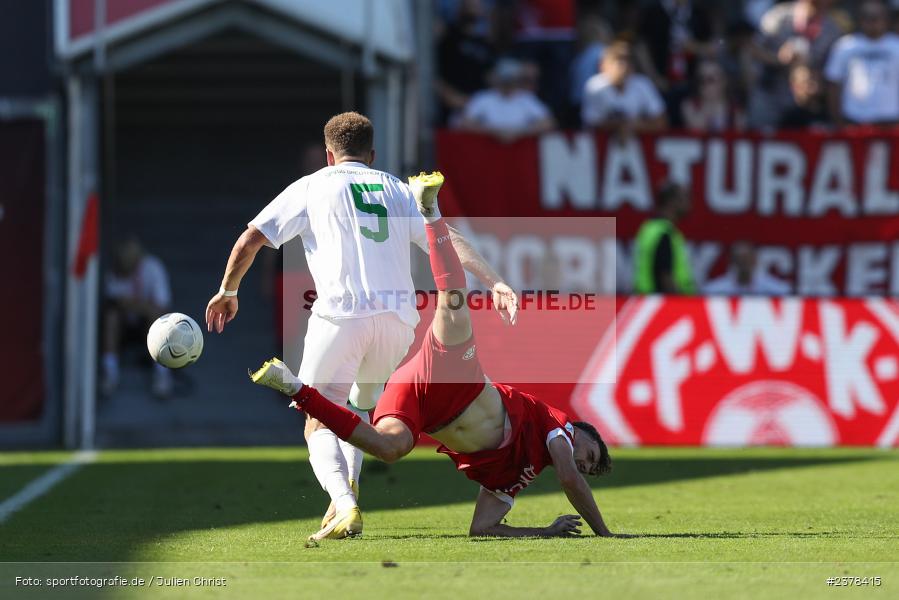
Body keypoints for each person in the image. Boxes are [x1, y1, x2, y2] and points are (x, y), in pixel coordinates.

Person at [250, 175, 624, 539]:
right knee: (454, 302)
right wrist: (604, 533)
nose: (582, 463)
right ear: (578, 431)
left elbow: (482, 529)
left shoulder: (515, 478)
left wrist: (546, 531)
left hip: (420, 404)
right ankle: (430, 211)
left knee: (390, 448)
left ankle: (294, 387)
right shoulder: (556, 429)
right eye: (589, 454)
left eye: (589, 467)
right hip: (461, 381)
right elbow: (568, 478)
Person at [205, 113, 506, 541]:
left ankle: (345, 504)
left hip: (342, 316)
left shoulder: (312, 185)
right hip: (399, 323)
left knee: (317, 416)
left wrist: (227, 290)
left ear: (329, 155)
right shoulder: (398, 189)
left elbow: (251, 238)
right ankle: (346, 488)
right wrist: (495, 281)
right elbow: (446, 237)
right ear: (373, 155)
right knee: (359, 408)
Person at [748, 0, 842, 128]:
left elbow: (833, 69)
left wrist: (813, 80)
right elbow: (753, 49)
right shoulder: (778, 17)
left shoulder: (832, 29)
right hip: (772, 96)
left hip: (809, 103)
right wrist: (778, 59)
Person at [101, 236, 172, 398]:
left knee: (158, 318)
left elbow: (162, 306)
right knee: (111, 317)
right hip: (124, 325)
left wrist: (132, 305)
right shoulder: (114, 271)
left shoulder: (153, 268)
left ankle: (162, 373)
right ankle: (109, 372)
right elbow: (112, 302)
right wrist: (136, 305)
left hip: (147, 325)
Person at [824, 0, 899, 126]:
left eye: (877, 17)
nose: (872, 22)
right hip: (853, 120)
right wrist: (838, 121)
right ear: (860, 19)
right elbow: (833, 84)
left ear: (886, 19)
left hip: (890, 122)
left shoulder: (896, 46)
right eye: (867, 17)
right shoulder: (845, 46)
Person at [459, 58, 556, 143]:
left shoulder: (527, 98)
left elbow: (548, 123)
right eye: (505, 79)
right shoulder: (483, 97)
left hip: (520, 153)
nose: (508, 83)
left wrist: (518, 132)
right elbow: (465, 122)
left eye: (512, 79)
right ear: (498, 77)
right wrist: (494, 132)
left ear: (517, 79)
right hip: (485, 152)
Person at [581, 41, 668, 136]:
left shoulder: (642, 84)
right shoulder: (595, 86)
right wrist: (620, 127)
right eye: (618, 61)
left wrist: (633, 126)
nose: (624, 66)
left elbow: (661, 121)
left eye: (627, 61)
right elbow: (591, 123)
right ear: (603, 65)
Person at [435, 0, 497, 126]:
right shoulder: (448, 37)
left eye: (476, 7)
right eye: (468, 6)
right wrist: (450, 96)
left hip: (478, 112)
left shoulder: (486, 45)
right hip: (448, 109)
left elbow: (491, 78)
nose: (472, 11)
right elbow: (432, 72)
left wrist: (480, 103)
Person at [633, 181, 695, 295]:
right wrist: (682, 305)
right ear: (671, 201)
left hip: (648, 301)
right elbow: (665, 277)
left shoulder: (650, 229)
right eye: (685, 197)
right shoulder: (663, 234)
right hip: (663, 305)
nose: (689, 203)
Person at [703, 241, 792, 296]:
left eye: (746, 259)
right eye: (739, 260)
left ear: (755, 260)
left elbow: (785, 292)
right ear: (732, 262)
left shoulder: (772, 288)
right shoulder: (717, 290)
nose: (743, 264)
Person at [680, 59, 746, 132]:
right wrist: (709, 105)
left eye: (710, 79)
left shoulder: (735, 109)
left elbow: (739, 136)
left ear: (723, 82)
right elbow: (697, 128)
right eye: (701, 79)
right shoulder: (689, 105)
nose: (704, 84)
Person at [779, 63, 829, 128]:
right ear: (794, 86)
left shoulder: (832, 114)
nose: (814, 83)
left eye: (816, 79)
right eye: (806, 81)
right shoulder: (791, 119)